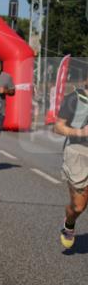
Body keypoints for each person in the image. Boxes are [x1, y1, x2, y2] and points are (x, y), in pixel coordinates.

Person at [55, 76, 88, 249]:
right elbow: (58, 127)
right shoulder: (74, 98)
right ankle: (69, 223)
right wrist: (81, 132)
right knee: (78, 207)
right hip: (78, 152)